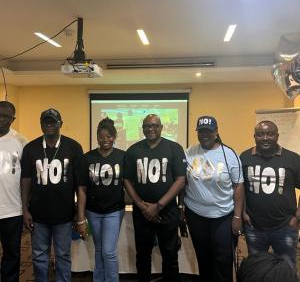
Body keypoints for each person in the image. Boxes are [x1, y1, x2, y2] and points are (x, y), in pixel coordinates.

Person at [20, 108, 84, 282]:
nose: (49, 125)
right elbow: (25, 180)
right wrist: (25, 210)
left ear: (60, 124)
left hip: (64, 215)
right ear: (41, 125)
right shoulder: (30, 148)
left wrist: (80, 215)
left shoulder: (73, 147)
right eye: (45, 122)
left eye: (53, 122)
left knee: (63, 256)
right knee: (39, 257)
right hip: (38, 215)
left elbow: (80, 184)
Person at [123, 114, 186, 282]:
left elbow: (181, 180)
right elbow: (126, 180)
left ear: (161, 127)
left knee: (170, 254)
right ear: (142, 128)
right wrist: (141, 205)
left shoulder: (174, 148)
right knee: (143, 254)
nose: (151, 129)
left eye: (154, 126)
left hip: (168, 211)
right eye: (147, 126)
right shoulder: (133, 151)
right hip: (142, 213)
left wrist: (158, 205)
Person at [184, 116, 244, 282]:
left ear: (216, 132)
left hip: (223, 215)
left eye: (208, 131)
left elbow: (239, 186)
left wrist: (237, 216)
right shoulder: (189, 152)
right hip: (195, 214)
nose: (204, 135)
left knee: (223, 258)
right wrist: (181, 208)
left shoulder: (230, 154)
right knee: (203, 257)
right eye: (201, 131)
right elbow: (182, 181)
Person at [240, 120, 300, 268]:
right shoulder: (245, 157)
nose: (265, 138)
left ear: (277, 136)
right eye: (260, 134)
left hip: (285, 227)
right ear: (254, 137)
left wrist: (297, 217)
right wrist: (243, 213)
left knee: (286, 270)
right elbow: (240, 188)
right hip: (254, 227)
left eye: (270, 134)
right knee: (257, 269)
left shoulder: (293, 159)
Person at [77, 117, 125, 282]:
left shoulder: (122, 157)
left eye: (109, 136)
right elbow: (82, 188)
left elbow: (128, 184)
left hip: (114, 210)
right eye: (101, 136)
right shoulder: (87, 158)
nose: (105, 140)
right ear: (97, 137)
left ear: (114, 136)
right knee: (98, 250)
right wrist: (80, 217)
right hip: (93, 211)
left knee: (109, 251)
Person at [0, 101, 27, 282]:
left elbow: (27, 178)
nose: (1, 120)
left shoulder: (22, 141)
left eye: (6, 117)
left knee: (12, 255)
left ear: (13, 119)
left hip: (12, 210)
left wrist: (26, 208)